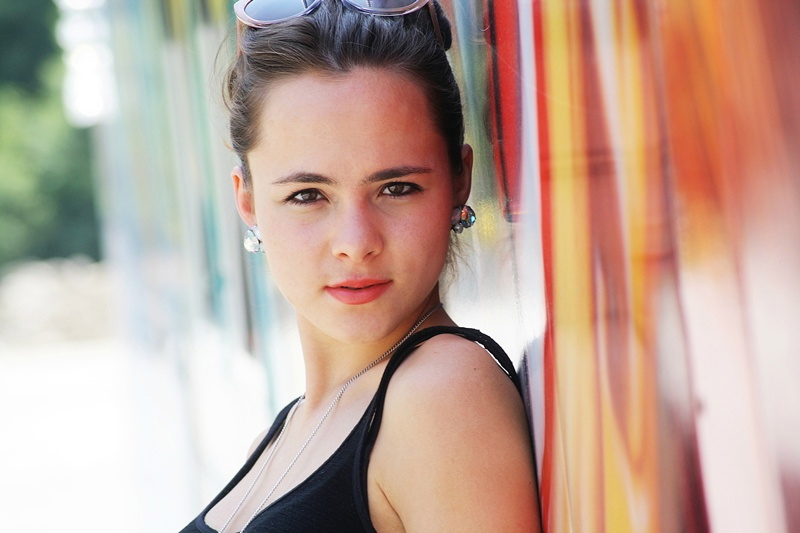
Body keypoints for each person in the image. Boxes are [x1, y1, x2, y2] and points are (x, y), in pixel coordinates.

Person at [181, 1, 540, 531]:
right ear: (248, 201)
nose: (356, 243)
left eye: (397, 188)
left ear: (458, 180)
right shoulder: (280, 437)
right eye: (307, 195)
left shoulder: (441, 397)